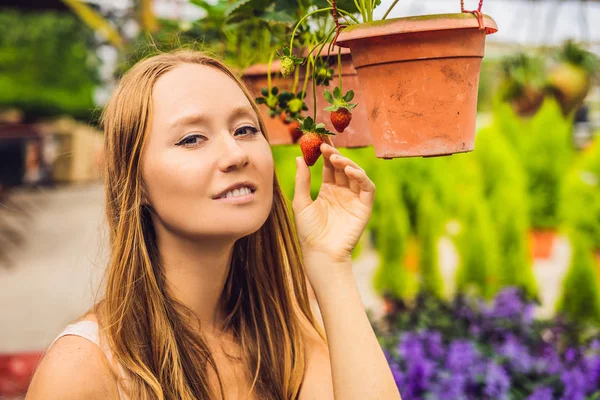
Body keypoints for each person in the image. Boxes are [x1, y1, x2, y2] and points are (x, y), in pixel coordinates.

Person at [26, 50, 401, 400]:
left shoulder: (283, 335)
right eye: (192, 138)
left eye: (245, 130)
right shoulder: (84, 369)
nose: (236, 154)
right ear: (135, 183)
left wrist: (330, 262)